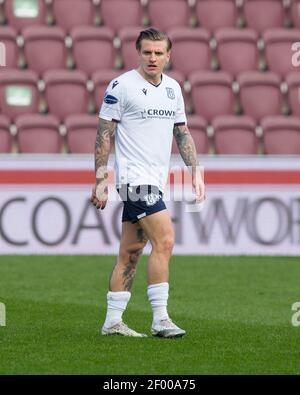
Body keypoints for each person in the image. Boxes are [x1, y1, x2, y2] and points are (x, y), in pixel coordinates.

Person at [91, 28, 205, 338]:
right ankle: (161, 319)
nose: (152, 58)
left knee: (130, 251)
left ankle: (112, 322)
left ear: (168, 55)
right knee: (165, 239)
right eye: (146, 52)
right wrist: (101, 178)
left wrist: (194, 168)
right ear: (138, 53)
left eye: (158, 53)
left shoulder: (173, 89)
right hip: (134, 179)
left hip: (156, 179)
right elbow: (104, 134)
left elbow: (181, 132)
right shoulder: (122, 86)